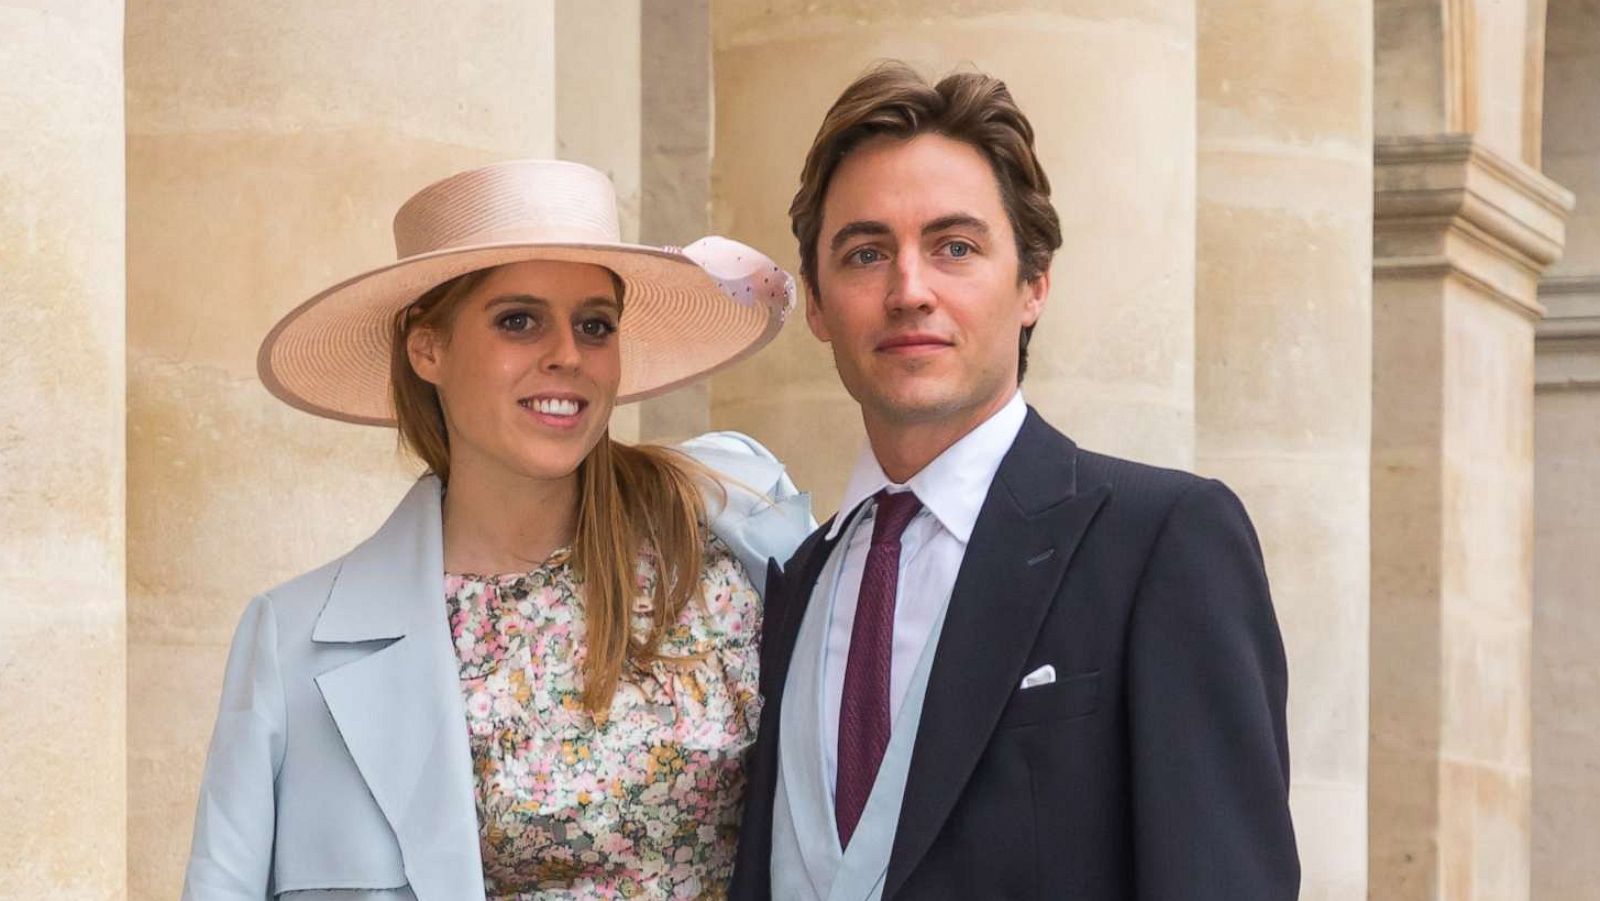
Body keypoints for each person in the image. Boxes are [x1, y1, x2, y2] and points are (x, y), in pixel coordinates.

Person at [731, 63, 1300, 900]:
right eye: (865, 253)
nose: (909, 290)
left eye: (954, 247)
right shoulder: (793, 582)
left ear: (1034, 284)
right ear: (817, 303)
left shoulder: (1163, 541)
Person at [183, 159, 812, 900]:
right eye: (519, 319)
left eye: (595, 325)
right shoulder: (289, 642)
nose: (567, 354)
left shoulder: (724, 534)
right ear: (429, 349)